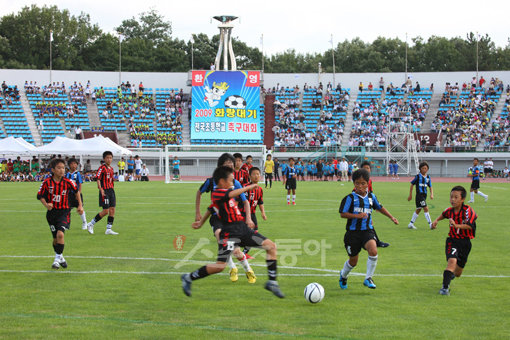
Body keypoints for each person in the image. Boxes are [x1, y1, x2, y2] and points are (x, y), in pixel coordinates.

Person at [181, 166, 284, 298]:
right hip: (229, 234)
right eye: (231, 181)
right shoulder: (219, 193)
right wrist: (249, 187)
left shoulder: (226, 193)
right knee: (220, 266)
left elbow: (211, 209)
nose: (233, 183)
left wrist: (201, 223)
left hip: (243, 230)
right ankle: (188, 278)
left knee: (271, 246)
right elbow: (223, 199)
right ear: (222, 181)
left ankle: (272, 282)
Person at [194, 153, 254, 282]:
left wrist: (248, 218)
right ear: (221, 165)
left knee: (236, 250)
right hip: (216, 217)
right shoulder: (211, 181)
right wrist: (197, 213)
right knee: (221, 240)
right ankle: (232, 268)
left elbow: (245, 201)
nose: (230, 165)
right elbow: (199, 192)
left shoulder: (235, 183)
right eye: (227, 163)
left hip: (232, 219)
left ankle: (248, 270)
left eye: (231, 163)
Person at [338, 169, 399, 290]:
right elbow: (342, 214)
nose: (360, 186)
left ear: (368, 183)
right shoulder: (350, 198)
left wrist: (391, 217)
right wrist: (357, 216)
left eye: (363, 183)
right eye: (357, 183)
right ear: (354, 183)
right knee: (353, 262)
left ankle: (368, 278)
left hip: (367, 231)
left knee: (373, 250)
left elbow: (379, 208)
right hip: (352, 234)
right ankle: (343, 276)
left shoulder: (371, 197)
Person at [431, 186, 477, 296]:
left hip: (465, 243)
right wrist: (436, 221)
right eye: (451, 197)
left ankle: (450, 274)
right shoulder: (449, 211)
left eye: (456, 197)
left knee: (457, 273)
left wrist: (456, 225)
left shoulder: (468, 211)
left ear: (462, 199)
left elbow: (470, 226)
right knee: (451, 262)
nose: (453, 200)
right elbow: (443, 215)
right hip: (453, 241)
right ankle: (445, 288)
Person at [37, 158, 83, 269]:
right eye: (59, 168)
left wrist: (80, 205)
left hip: (64, 212)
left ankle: (56, 260)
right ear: (52, 170)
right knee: (55, 239)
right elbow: (40, 196)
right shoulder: (47, 182)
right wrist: (46, 205)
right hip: (51, 214)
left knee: (60, 234)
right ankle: (60, 256)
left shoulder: (68, 181)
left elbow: (77, 192)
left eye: (63, 168)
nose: (61, 170)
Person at [86, 151, 119, 235]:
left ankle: (108, 229)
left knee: (112, 210)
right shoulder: (102, 168)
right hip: (104, 191)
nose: (109, 159)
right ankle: (90, 224)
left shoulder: (111, 169)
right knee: (105, 211)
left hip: (111, 190)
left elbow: (111, 180)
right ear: (104, 159)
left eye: (110, 158)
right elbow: (98, 178)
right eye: (107, 157)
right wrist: (101, 189)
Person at [358, 161, 390, 248]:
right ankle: (376, 242)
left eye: (368, 168)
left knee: (368, 224)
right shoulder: (360, 181)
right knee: (366, 223)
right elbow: (356, 192)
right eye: (364, 168)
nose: (366, 170)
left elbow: (371, 193)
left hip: (367, 204)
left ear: (370, 170)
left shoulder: (370, 181)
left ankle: (375, 241)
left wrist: (373, 204)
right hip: (361, 205)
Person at [243, 167, 267, 259]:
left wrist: (263, 213)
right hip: (244, 214)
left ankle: (244, 253)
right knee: (247, 234)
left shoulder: (260, 189)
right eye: (254, 174)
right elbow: (241, 201)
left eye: (258, 174)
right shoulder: (246, 187)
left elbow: (260, 202)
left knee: (254, 233)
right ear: (250, 176)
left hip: (252, 214)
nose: (256, 176)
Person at [407, 162, 434, 230]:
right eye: (423, 168)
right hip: (419, 195)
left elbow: (430, 186)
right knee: (426, 208)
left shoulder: (428, 177)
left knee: (418, 209)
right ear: (420, 169)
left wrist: (431, 194)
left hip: (424, 195)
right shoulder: (418, 176)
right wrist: (410, 195)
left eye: (426, 168)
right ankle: (431, 224)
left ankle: (411, 223)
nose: (424, 169)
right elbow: (412, 184)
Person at [65, 158, 88, 229]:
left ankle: (84, 222)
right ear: (69, 165)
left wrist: (79, 193)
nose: (73, 165)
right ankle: (67, 225)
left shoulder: (77, 173)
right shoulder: (67, 174)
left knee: (80, 208)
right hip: (69, 194)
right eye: (72, 164)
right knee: (67, 209)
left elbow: (80, 183)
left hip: (76, 193)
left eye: (75, 164)